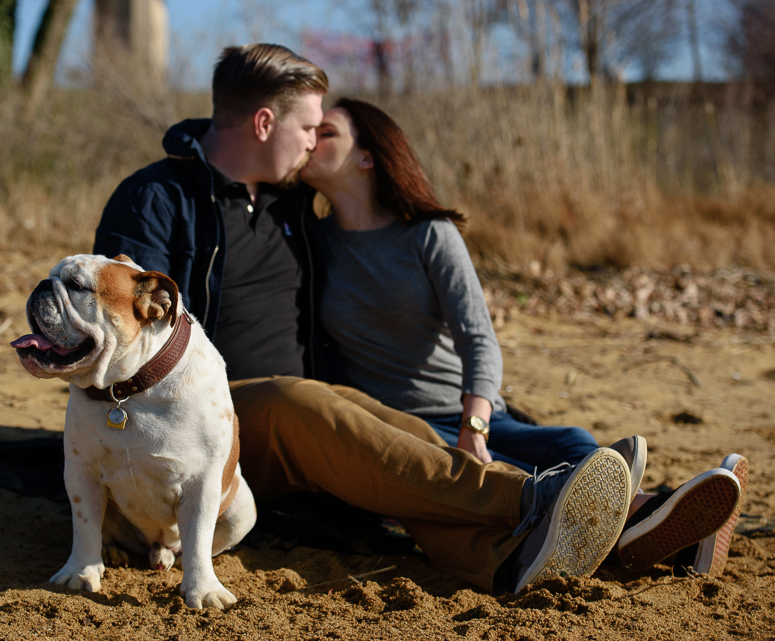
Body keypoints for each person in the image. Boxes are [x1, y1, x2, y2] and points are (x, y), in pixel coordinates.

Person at [90, 43, 731, 592]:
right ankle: (532, 499)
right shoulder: (156, 200)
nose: (315, 142)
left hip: (314, 423)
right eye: (309, 127)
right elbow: (123, 336)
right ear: (263, 122)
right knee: (306, 403)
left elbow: (395, 258)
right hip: (205, 420)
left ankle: (521, 558)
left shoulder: (290, 208)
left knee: (403, 450)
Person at [297, 96, 749, 575]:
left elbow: (478, 338)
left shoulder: (428, 234)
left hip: (466, 408)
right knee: (514, 480)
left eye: (325, 133)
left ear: (366, 157)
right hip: (399, 423)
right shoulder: (312, 242)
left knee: (569, 445)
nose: (309, 139)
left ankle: (659, 526)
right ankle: (671, 527)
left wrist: (475, 424)